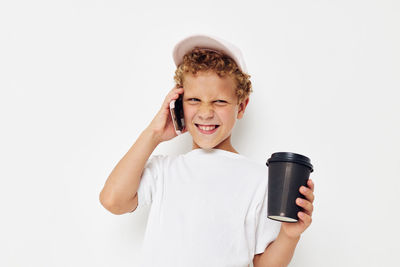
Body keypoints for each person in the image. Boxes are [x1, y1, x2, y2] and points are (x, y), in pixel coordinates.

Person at [99, 34, 315, 267]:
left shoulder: (262, 180)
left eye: (219, 102)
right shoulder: (164, 170)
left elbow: (264, 264)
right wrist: (154, 134)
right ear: (178, 105)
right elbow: (113, 200)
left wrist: (290, 235)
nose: (205, 112)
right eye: (193, 100)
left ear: (241, 106)